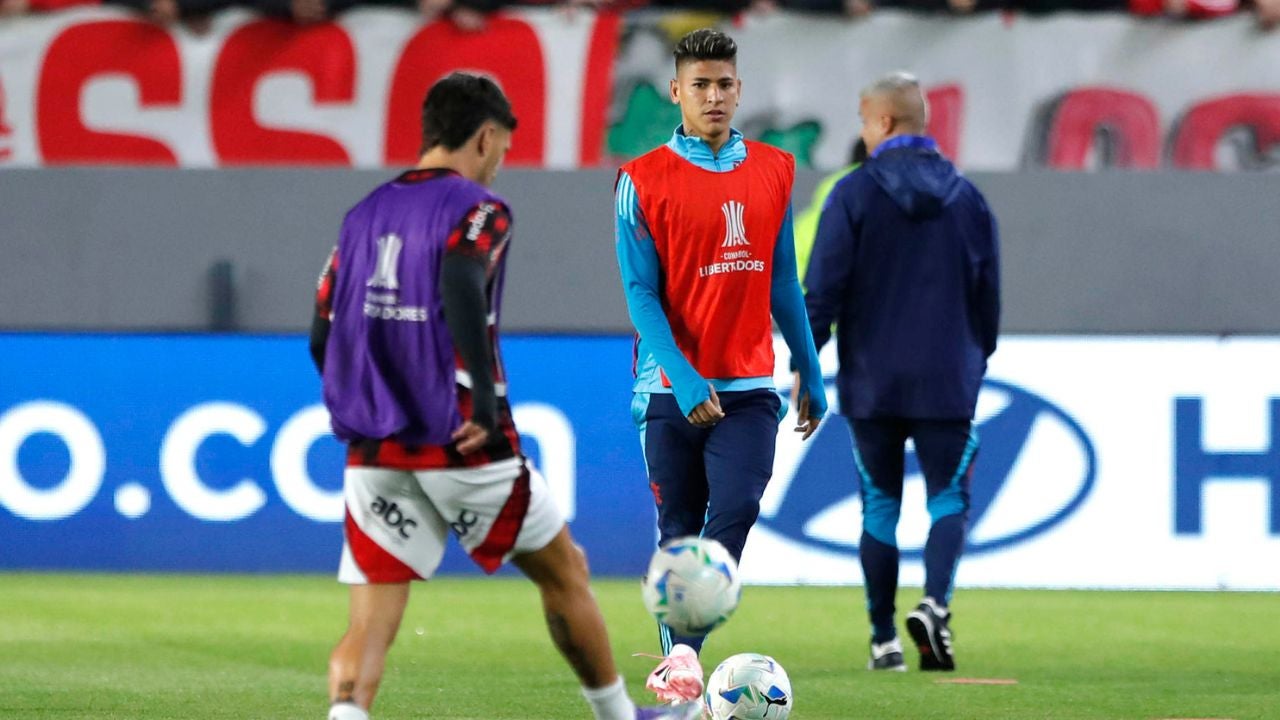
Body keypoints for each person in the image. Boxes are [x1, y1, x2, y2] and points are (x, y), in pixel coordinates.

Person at [310, 72, 701, 720]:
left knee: (372, 617)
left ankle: (346, 713)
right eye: (504, 150)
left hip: (375, 446)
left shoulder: (363, 215)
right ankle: (618, 715)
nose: (500, 165)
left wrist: (357, 401)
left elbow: (324, 328)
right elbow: (461, 275)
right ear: (486, 136)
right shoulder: (478, 208)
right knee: (563, 570)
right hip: (462, 438)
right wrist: (487, 403)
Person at [613, 28, 828, 702]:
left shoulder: (774, 169)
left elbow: (783, 281)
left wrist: (810, 369)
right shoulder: (640, 181)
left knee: (735, 507)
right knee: (678, 525)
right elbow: (640, 292)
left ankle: (684, 654)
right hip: (668, 386)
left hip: (748, 385)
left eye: (724, 85)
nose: (713, 96)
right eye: (700, 85)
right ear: (676, 91)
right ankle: (678, 660)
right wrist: (681, 374)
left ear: (739, 91)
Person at [803, 71, 1000, 673]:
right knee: (948, 500)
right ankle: (935, 605)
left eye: (863, 122)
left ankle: (883, 639)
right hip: (948, 379)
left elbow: (822, 291)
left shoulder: (852, 195)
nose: (862, 134)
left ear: (882, 123)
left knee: (879, 506)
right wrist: (977, 356)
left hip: (872, 382)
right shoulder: (968, 198)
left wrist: (806, 370)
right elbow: (987, 293)